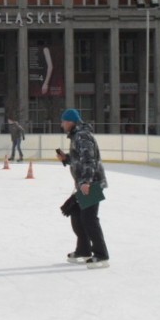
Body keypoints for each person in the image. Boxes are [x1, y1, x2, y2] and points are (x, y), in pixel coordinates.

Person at [56, 109, 110, 269]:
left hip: (92, 182)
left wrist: (86, 181)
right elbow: (79, 158)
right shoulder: (77, 135)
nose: (62, 124)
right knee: (76, 214)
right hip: (84, 183)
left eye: (63, 121)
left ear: (71, 121)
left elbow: (89, 159)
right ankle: (83, 250)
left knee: (89, 219)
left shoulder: (82, 136)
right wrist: (66, 158)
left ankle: (101, 255)